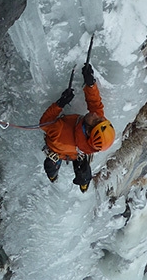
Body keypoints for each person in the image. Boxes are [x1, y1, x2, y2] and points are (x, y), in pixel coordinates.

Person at [39, 62, 115, 192]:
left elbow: (44, 122)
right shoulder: (94, 129)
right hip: (76, 152)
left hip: (58, 150)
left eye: (96, 119)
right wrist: (90, 84)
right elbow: (95, 105)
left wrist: (60, 103)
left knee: (50, 165)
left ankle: (53, 175)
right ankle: (83, 184)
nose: (96, 115)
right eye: (100, 119)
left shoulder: (59, 131)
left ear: (88, 130)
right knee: (84, 170)